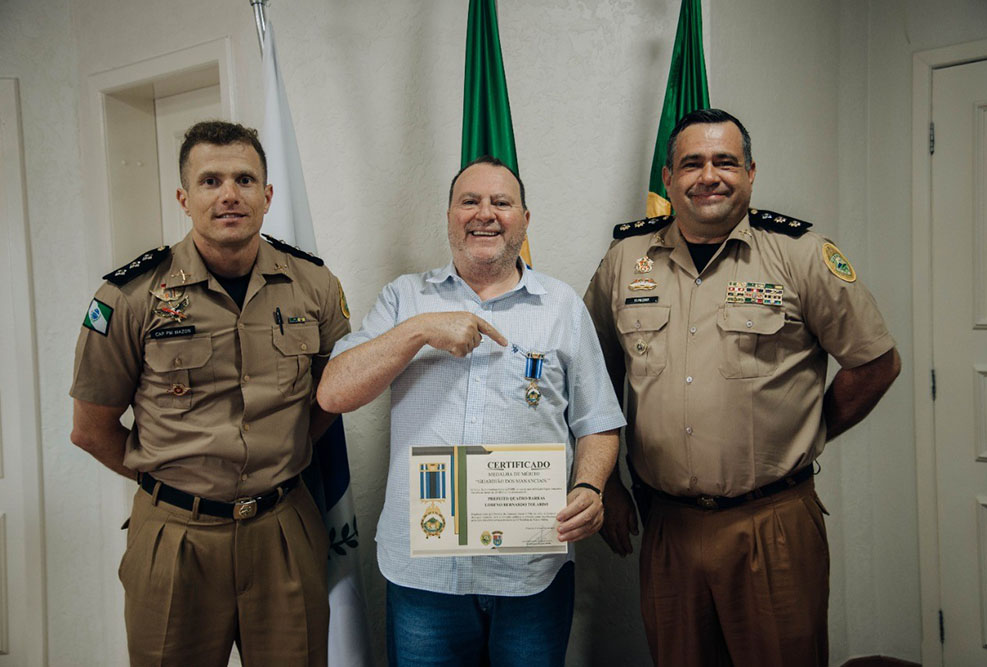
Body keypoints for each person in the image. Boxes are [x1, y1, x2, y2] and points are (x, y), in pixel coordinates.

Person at [584, 108, 901, 667]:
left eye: (725, 161)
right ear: (668, 178)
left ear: (751, 173)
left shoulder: (801, 254)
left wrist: (810, 428)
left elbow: (876, 363)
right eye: (693, 163)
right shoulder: (624, 260)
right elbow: (594, 378)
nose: (709, 176)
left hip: (772, 524)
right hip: (668, 526)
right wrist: (603, 482)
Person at [316, 155, 625, 667]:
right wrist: (416, 331)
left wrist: (590, 487)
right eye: (470, 201)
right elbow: (332, 394)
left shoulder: (562, 306)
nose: (485, 213)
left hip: (531, 571)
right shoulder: (404, 298)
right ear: (449, 216)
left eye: (501, 202)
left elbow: (598, 423)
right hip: (424, 577)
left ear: (525, 219)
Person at [70, 121, 349, 667]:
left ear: (267, 196)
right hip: (176, 539)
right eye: (210, 180)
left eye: (245, 179)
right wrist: (174, 478)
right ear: (184, 197)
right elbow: (90, 428)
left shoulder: (314, 285)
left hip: (284, 529)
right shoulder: (129, 297)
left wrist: (281, 454)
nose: (228, 195)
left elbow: (328, 400)